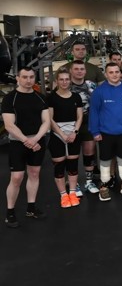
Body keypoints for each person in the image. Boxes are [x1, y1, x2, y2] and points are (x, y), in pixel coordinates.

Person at [2, 67, 51, 228]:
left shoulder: (40, 97)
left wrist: (35, 139)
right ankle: (10, 212)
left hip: (37, 141)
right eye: (24, 77)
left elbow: (46, 122)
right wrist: (26, 140)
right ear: (18, 78)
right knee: (17, 177)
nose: (28, 80)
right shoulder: (10, 98)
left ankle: (31, 208)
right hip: (18, 142)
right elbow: (9, 125)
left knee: (34, 173)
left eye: (31, 77)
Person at [89, 63, 122, 201]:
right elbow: (93, 112)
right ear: (106, 74)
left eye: (117, 72)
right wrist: (95, 131)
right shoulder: (99, 91)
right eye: (111, 72)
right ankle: (104, 186)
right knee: (105, 159)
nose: (114, 75)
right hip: (105, 133)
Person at [47, 68, 83, 208]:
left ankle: (72, 193)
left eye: (67, 79)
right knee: (59, 166)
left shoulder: (76, 97)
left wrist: (74, 132)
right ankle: (63, 195)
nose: (64, 82)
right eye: (61, 79)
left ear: (70, 81)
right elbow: (50, 119)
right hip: (57, 135)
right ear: (56, 81)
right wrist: (62, 134)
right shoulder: (51, 98)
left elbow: (79, 116)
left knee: (73, 165)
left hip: (73, 133)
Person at [68, 60, 100, 194]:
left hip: (88, 123)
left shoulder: (91, 85)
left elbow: (98, 104)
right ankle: (73, 184)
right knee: (72, 155)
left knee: (89, 153)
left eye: (81, 69)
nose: (79, 71)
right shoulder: (66, 84)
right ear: (71, 71)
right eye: (76, 69)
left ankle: (89, 181)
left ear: (85, 71)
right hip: (70, 124)